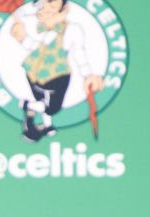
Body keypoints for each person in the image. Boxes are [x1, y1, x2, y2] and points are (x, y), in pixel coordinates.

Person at [9, 0, 103, 142]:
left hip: (53, 75)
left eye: (52, 6)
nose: (45, 10)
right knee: (51, 107)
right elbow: (34, 46)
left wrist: (88, 75)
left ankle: (45, 123)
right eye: (41, 7)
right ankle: (27, 106)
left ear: (65, 9)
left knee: (48, 105)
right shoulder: (41, 28)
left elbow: (79, 53)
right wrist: (21, 37)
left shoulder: (72, 30)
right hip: (37, 73)